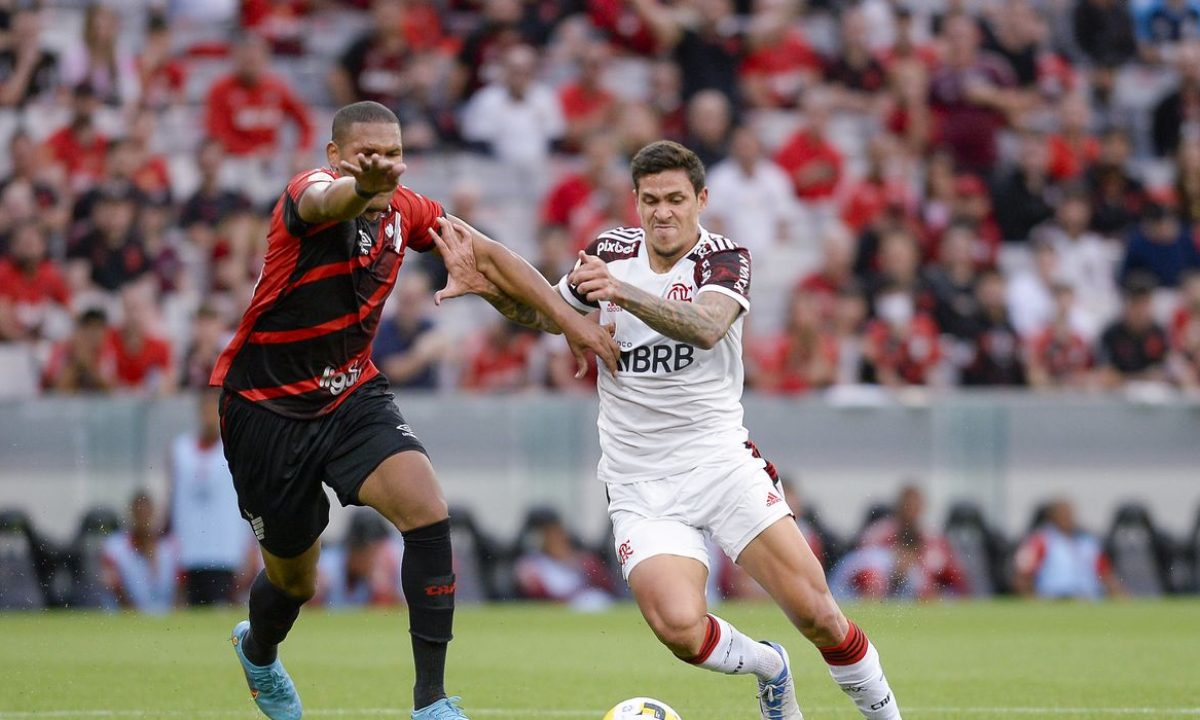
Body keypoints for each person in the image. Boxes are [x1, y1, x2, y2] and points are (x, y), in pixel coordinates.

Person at [432, 140, 902, 720]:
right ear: (635, 202)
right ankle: (770, 668)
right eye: (651, 199)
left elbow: (706, 327)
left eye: (676, 199)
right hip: (639, 480)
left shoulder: (723, 259)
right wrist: (491, 292)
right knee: (679, 629)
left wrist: (622, 292)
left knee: (819, 616)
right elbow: (544, 314)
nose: (663, 211)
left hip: (720, 464)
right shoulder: (609, 253)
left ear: (701, 200)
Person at [210, 100, 618, 720]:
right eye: (368, 156)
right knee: (296, 581)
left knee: (427, 510)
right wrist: (362, 184)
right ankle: (259, 649)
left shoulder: (406, 210)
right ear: (336, 158)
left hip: (351, 395)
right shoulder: (308, 195)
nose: (385, 167)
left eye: (394, 156)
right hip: (268, 412)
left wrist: (571, 324)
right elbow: (331, 201)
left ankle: (431, 702)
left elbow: (489, 254)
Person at [169, 388, 252, 606]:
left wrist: (251, 546)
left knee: (223, 611)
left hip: (226, 551)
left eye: (213, 410)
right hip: (190, 550)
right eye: (204, 409)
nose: (208, 416)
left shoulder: (237, 448)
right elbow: (174, 498)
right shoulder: (181, 450)